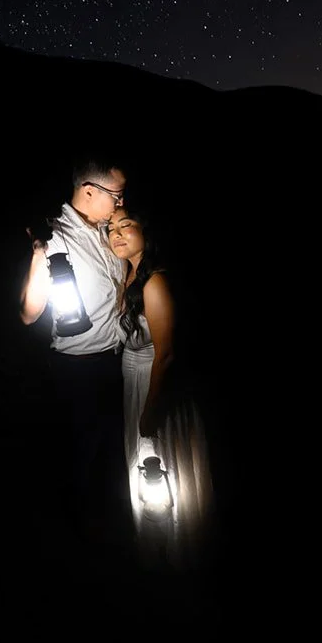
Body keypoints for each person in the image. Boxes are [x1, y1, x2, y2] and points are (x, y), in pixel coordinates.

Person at [20, 160, 130, 538]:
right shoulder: (57, 237)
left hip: (118, 359)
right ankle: (77, 528)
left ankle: (112, 518)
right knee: (81, 449)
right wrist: (38, 257)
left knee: (113, 444)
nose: (120, 202)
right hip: (78, 366)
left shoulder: (107, 231)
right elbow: (30, 314)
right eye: (115, 195)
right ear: (88, 191)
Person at [108, 205, 215, 566]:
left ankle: (179, 550)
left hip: (155, 383)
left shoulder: (155, 281)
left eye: (126, 225)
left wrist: (151, 411)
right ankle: (156, 546)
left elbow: (165, 354)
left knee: (162, 461)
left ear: (147, 232)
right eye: (111, 229)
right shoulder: (129, 277)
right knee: (146, 466)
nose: (117, 233)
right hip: (135, 380)